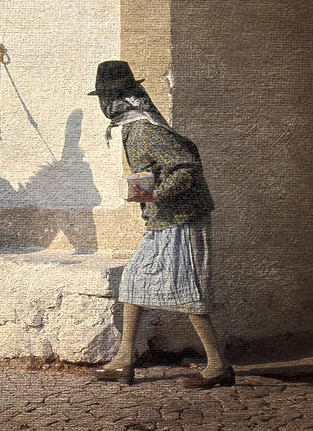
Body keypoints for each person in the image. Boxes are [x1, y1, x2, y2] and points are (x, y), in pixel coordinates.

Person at [88, 60, 234, 388]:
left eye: (108, 97)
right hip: (162, 222)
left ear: (120, 98)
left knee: (187, 292)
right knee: (133, 282)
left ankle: (217, 365)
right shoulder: (131, 127)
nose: (105, 104)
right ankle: (125, 360)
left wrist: (154, 196)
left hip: (181, 220)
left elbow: (186, 166)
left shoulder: (146, 129)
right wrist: (149, 196)